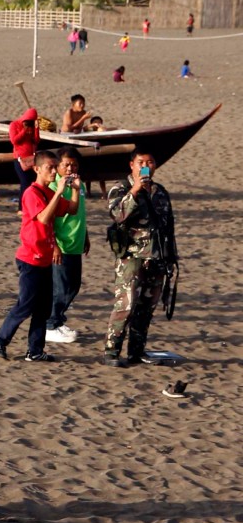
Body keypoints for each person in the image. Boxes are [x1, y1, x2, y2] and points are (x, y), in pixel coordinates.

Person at [0, 150, 79, 362]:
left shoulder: (49, 192)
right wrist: (59, 193)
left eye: (56, 167)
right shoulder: (32, 193)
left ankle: (35, 350)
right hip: (30, 258)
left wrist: (74, 190)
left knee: (43, 308)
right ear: (37, 169)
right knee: (26, 304)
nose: (54, 171)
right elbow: (44, 218)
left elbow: (72, 210)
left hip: (45, 258)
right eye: (50, 167)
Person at [102, 151, 176, 367]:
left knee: (146, 307)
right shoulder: (121, 188)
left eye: (150, 162)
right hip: (131, 257)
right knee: (126, 304)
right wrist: (135, 190)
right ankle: (111, 351)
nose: (146, 166)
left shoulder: (160, 192)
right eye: (141, 162)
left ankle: (136, 351)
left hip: (157, 257)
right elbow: (117, 215)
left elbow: (168, 226)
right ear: (132, 165)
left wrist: (171, 257)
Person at [46, 149, 89, 343]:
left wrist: (85, 236)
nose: (70, 168)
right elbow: (49, 220)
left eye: (74, 165)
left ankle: (58, 320)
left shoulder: (79, 186)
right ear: (58, 166)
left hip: (76, 243)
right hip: (61, 245)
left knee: (74, 286)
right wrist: (54, 245)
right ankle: (50, 325)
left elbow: (80, 213)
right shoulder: (54, 187)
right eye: (66, 165)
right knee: (60, 288)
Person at [9, 107, 39, 192]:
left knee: (32, 183)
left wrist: (36, 129)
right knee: (25, 183)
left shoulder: (32, 126)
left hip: (31, 158)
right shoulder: (14, 125)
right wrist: (23, 131)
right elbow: (14, 141)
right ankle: (22, 204)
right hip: (20, 159)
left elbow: (36, 140)